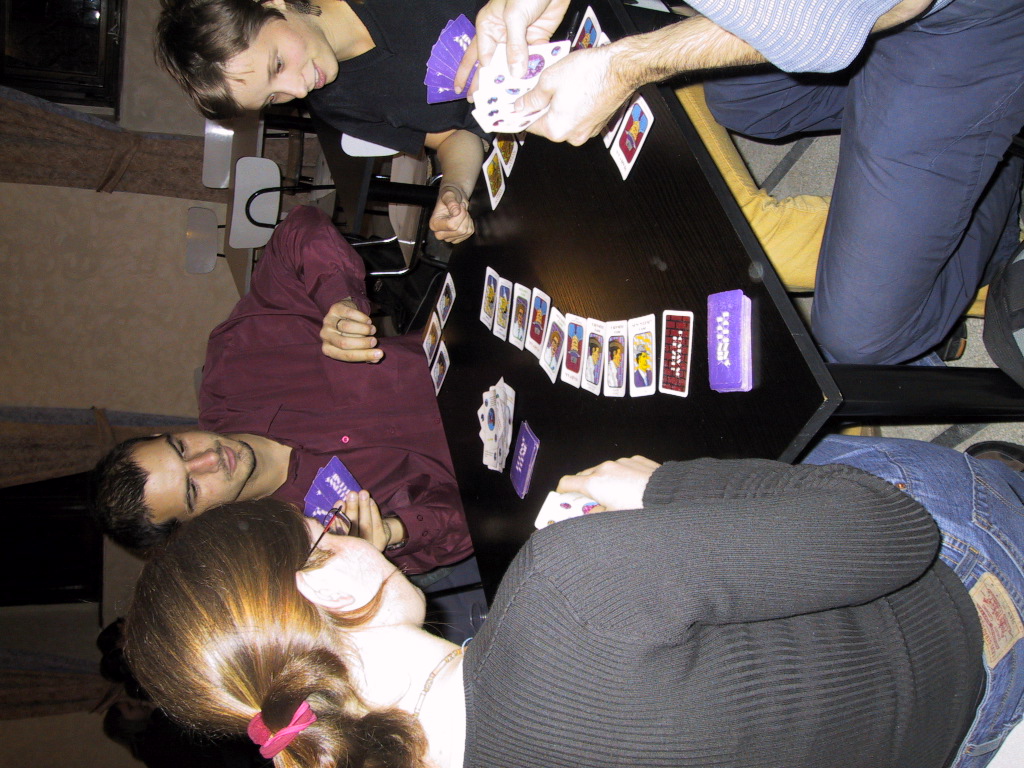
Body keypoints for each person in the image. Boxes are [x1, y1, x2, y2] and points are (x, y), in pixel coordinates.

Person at [123, 433, 1024, 768]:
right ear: (325, 583)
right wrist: (659, 487)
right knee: (826, 464)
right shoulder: (564, 590)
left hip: (936, 751)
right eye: (324, 534)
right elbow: (894, 535)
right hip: (973, 627)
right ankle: (1000, 477)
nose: (344, 532)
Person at [454, 0, 1024, 364]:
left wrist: (627, 64)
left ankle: (986, 157)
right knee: (742, 101)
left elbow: (839, 17)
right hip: (864, 18)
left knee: (859, 338)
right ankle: (921, 125)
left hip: (955, 17)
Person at [92, 205, 472, 577]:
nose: (208, 459)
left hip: (477, 355)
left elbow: (297, 230)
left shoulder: (238, 363)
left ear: (164, 434)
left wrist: (339, 301)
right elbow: (473, 522)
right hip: (493, 463)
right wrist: (393, 531)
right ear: (195, 523)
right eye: (192, 488)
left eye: (181, 448)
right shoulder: (306, 542)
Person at [156, 0, 491, 244]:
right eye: (272, 98)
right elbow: (451, 137)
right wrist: (454, 189)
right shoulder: (334, 103)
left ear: (273, 4)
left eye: (277, 65)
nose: (298, 90)